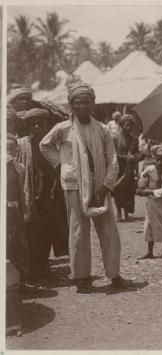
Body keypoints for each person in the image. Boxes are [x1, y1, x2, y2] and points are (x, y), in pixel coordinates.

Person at [39, 82, 129, 293]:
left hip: (100, 185)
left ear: (93, 104)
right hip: (74, 185)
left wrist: (105, 187)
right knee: (79, 231)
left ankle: (114, 276)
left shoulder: (103, 129)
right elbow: (44, 145)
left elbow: (112, 160)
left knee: (109, 232)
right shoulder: (62, 128)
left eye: (87, 102)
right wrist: (62, 163)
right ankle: (81, 278)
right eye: (78, 102)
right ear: (71, 105)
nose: (83, 106)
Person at [17, 108, 69, 284]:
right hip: (30, 195)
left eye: (41, 122)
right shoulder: (22, 145)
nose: (37, 126)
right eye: (33, 123)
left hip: (51, 196)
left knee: (48, 232)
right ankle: (33, 269)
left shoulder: (54, 144)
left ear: (48, 124)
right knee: (32, 233)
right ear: (29, 125)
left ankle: (44, 267)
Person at [137, 146, 162, 259]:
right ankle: (150, 251)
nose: (159, 162)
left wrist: (149, 191)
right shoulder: (150, 168)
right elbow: (142, 176)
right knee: (149, 225)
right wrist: (142, 183)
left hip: (161, 202)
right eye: (157, 159)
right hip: (151, 202)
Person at [6, 134, 30, 284]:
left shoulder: (20, 168)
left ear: (16, 151)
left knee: (19, 244)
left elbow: (24, 191)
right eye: (7, 148)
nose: (9, 151)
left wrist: (25, 210)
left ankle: (21, 280)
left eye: (12, 149)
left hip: (16, 211)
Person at [112, 114, 142, 221]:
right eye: (125, 125)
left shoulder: (135, 139)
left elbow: (138, 152)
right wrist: (125, 157)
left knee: (129, 191)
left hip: (130, 169)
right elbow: (113, 153)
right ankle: (118, 212)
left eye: (129, 125)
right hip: (119, 168)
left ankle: (126, 212)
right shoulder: (115, 137)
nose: (127, 127)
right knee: (118, 190)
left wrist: (135, 157)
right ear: (121, 125)